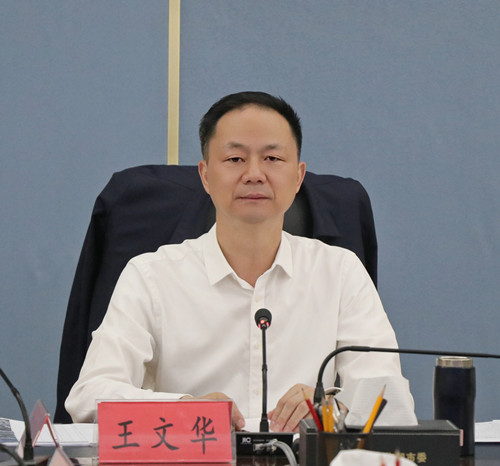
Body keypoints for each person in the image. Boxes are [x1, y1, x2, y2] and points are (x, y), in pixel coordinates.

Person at [66, 91, 416, 431]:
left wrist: (330, 406)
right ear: (205, 175)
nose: (254, 174)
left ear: (298, 176)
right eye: (235, 159)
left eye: (272, 159)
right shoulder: (151, 276)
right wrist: (184, 409)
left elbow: (392, 404)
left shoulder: (340, 272)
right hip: (195, 458)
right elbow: (88, 396)